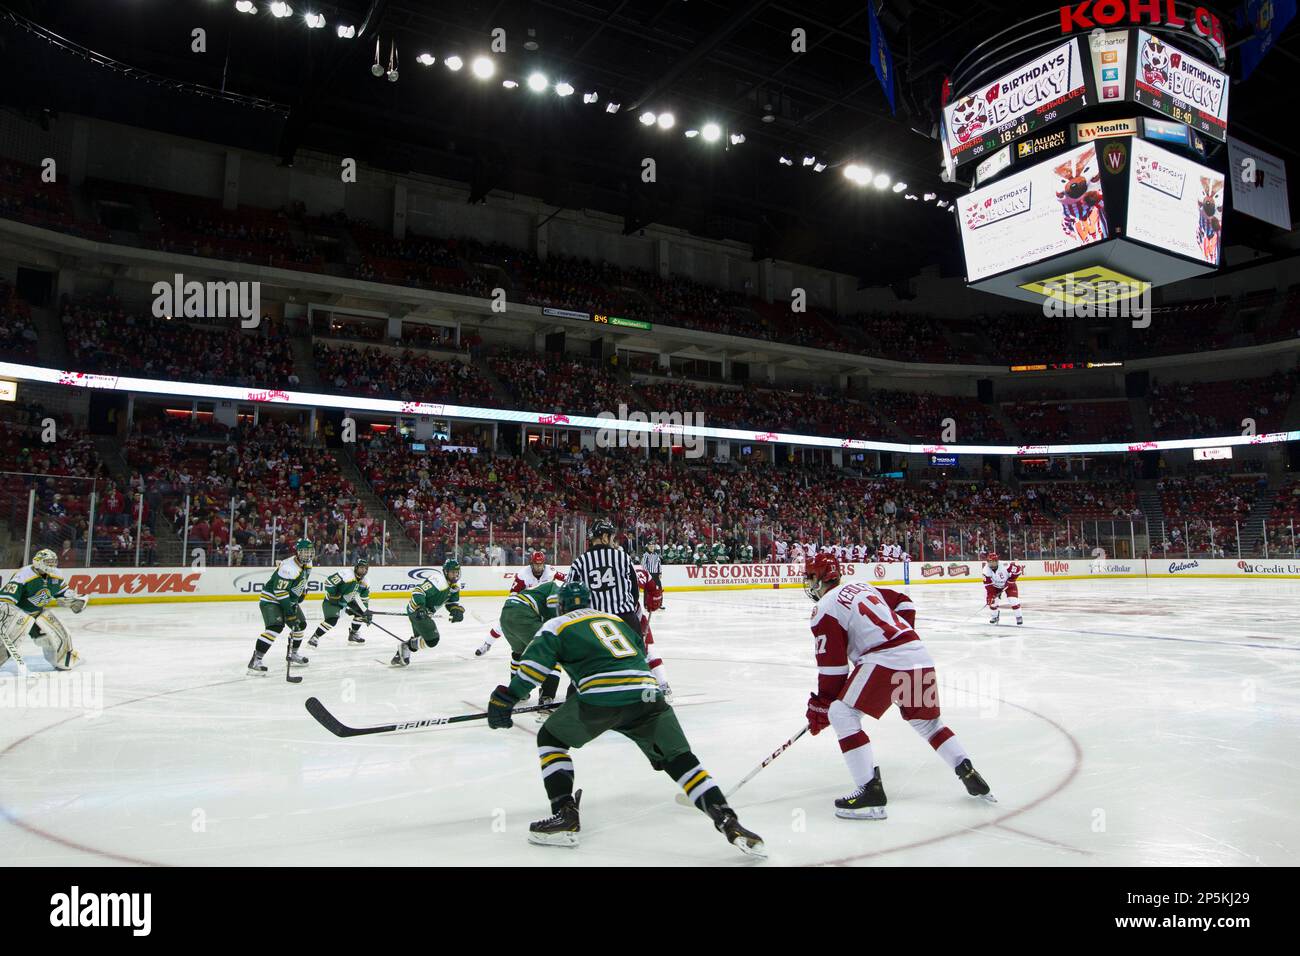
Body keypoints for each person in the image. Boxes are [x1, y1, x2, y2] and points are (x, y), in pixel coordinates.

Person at [485, 580, 765, 857]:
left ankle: (564, 815)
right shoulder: (614, 620)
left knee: (551, 738)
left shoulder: (556, 625)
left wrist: (507, 697)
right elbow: (634, 657)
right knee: (680, 760)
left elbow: (534, 667)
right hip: (647, 695)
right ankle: (728, 820)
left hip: (601, 699)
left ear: (561, 606)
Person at [802, 552, 994, 819]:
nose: (807, 583)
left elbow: (834, 668)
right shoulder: (863, 587)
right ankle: (966, 770)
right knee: (927, 723)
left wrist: (823, 706)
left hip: (887, 659)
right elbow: (904, 602)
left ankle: (870, 794)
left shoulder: (824, 608)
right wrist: (902, 637)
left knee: (841, 713)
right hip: (917, 653)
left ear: (821, 577)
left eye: (810, 576)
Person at [0, 548, 88, 670]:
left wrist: (73, 598)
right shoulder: (24, 575)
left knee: (58, 637)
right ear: (39, 562)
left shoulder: (56, 574)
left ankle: (62, 660)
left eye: (53, 561)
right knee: (6, 642)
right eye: (48, 562)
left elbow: (62, 592)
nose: (52, 565)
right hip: (19, 614)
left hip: (37, 614)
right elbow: (6, 599)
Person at [475, 550, 564, 656]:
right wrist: (513, 609)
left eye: (541, 565)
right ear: (531, 564)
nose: (539, 567)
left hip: (544, 605)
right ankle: (487, 644)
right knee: (502, 624)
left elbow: (567, 578)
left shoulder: (550, 570)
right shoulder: (523, 574)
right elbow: (513, 594)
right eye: (536, 565)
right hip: (528, 606)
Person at [248, 538, 314, 675]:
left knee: (300, 625)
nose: (307, 555)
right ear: (298, 552)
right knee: (275, 628)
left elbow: (303, 579)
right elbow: (280, 592)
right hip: (271, 599)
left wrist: (301, 592)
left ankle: (293, 654)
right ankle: (256, 660)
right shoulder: (288, 568)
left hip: (288, 599)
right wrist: (289, 611)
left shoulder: (308, 564)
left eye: (310, 552)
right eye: (304, 552)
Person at [565, 518, 641, 635]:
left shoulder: (579, 562)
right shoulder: (623, 557)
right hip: (625, 621)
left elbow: (569, 595)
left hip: (594, 625)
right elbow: (634, 591)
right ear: (605, 537)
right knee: (636, 652)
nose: (613, 541)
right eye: (611, 538)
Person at [395, 558, 464, 667]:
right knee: (432, 640)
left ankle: (405, 648)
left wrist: (456, 610)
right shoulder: (438, 580)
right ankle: (406, 646)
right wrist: (420, 607)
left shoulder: (456, 585)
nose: (455, 575)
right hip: (417, 611)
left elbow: (452, 602)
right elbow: (419, 591)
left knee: (422, 640)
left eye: (457, 572)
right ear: (446, 572)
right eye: (452, 572)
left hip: (425, 614)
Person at [308, 558, 372, 647]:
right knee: (332, 620)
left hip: (347, 600)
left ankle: (353, 634)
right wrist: (335, 595)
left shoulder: (366, 581)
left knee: (361, 613)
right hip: (332, 601)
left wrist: (366, 611)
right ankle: (315, 637)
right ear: (356, 567)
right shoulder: (346, 574)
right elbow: (328, 583)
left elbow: (364, 599)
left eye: (365, 568)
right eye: (361, 567)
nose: (363, 570)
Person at [982, 552, 1023, 625]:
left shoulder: (1005, 565)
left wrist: (1010, 581)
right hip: (995, 587)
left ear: (997, 561)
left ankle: (1019, 616)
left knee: (1013, 601)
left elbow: (1018, 571)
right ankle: (995, 616)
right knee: (992, 603)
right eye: (989, 562)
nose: (991, 564)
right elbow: (988, 585)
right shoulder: (985, 570)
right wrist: (991, 596)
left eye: (993, 562)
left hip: (1009, 585)